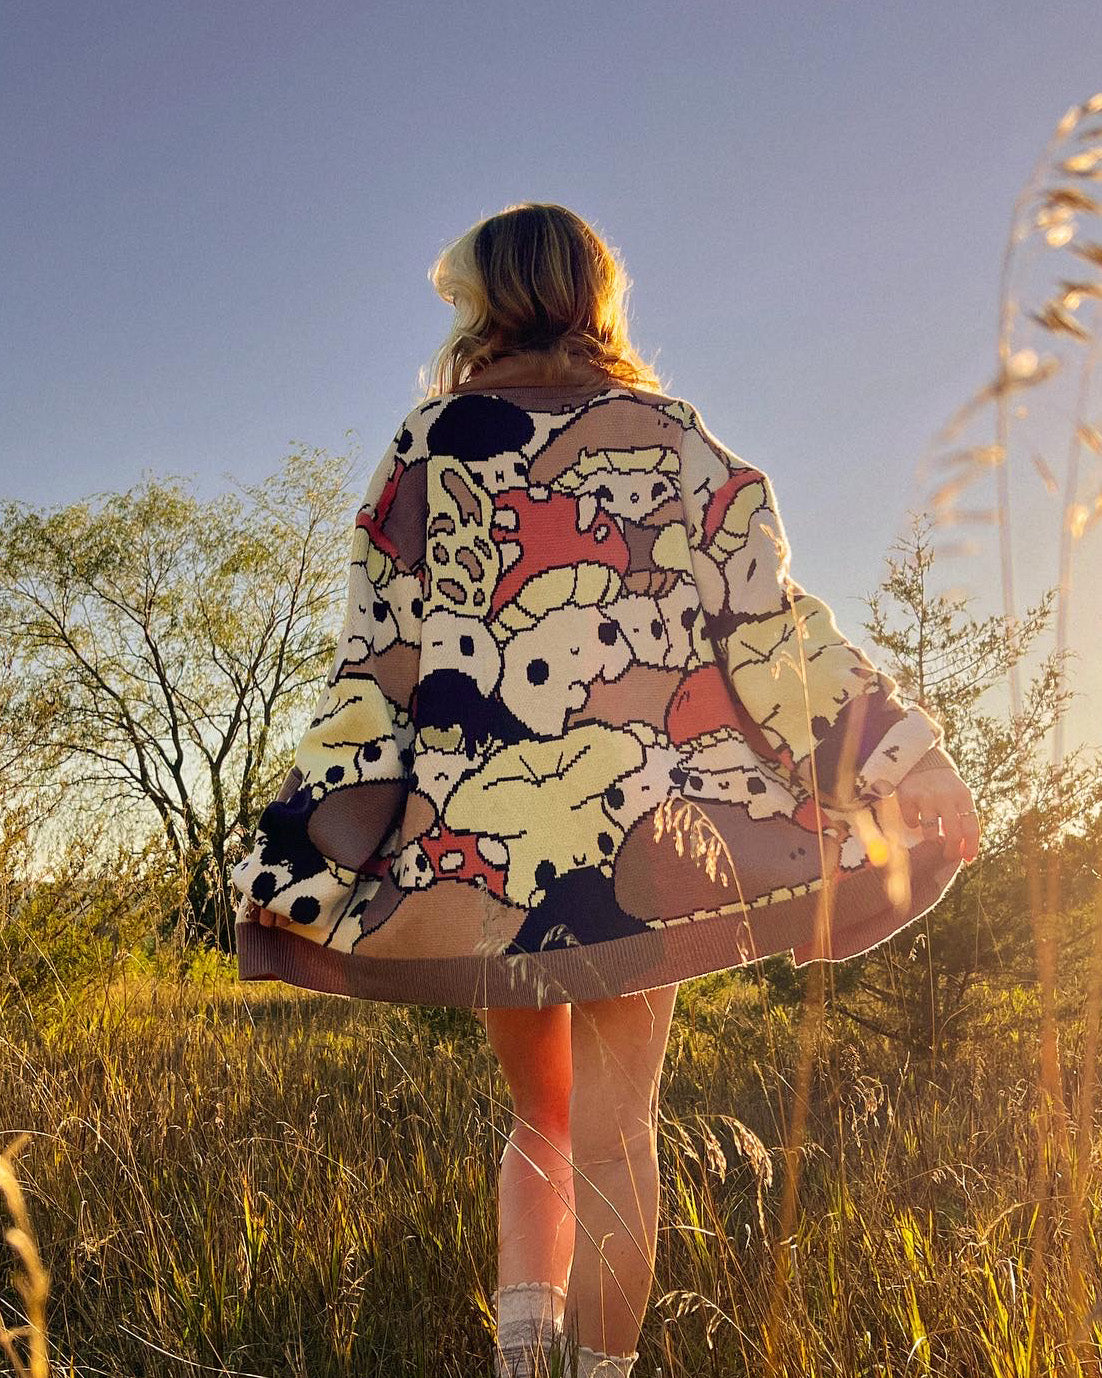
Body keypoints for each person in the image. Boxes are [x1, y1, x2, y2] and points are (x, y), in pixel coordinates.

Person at [231, 202, 980, 1378]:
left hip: (486, 840)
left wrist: (316, 837)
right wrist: (902, 757)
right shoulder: (677, 439)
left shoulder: (428, 444)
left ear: (483, 297)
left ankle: (523, 1367)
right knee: (617, 1132)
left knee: (541, 1119)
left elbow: (373, 661)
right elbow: (771, 636)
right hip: (653, 840)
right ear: (597, 292)